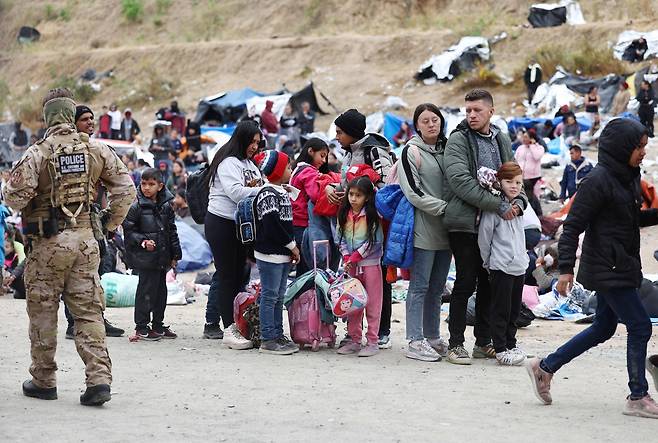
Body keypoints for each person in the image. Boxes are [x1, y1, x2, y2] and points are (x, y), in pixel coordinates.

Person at [3, 87, 136, 406]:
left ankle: (44, 379)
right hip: (86, 242)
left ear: (48, 116)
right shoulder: (97, 150)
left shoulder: (38, 152)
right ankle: (99, 380)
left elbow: (13, 197)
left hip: (47, 245)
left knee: (43, 311)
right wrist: (106, 223)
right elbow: (127, 191)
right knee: (89, 310)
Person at [526, 118, 658, 419]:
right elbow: (571, 226)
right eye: (639, 148)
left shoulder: (627, 177)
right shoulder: (597, 181)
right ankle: (637, 395)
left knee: (603, 327)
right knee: (640, 325)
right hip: (607, 266)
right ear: (622, 147)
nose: (642, 153)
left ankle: (545, 367)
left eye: (644, 148)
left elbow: (630, 220)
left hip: (622, 263)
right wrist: (566, 270)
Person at [443, 89, 527, 365]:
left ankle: (483, 341)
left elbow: (514, 176)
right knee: (466, 281)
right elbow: (460, 182)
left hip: (495, 225)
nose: (471, 115)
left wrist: (520, 203)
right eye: (468, 110)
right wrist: (499, 205)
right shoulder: (458, 139)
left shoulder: (500, 138)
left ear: (491, 111)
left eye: (477, 110)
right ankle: (456, 343)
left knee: (490, 284)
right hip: (465, 223)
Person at [397, 103, 452, 362]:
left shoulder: (448, 148)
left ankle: (432, 336)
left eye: (435, 119)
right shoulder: (411, 151)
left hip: (448, 230)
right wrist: (445, 208)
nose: (432, 124)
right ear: (417, 125)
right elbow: (413, 192)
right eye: (426, 120)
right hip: (424, 228)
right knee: (419, 285)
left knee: (438, 286)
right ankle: (414, 340)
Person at [203, 120, 264, 348]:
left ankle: (239, 324)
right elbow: (237, 193)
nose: (255, 147)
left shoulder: (249, 163)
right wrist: (266, 189)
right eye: (252, 141)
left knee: (241, 275)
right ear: (242, 138)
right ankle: (228, 328)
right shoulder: (228, 162)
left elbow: (258, 184)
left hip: (240, 226)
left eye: (258, 142)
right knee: (227, 275)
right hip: (221, 222)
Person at [478, 162, 528, 366]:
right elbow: (484, 238)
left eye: (518, 182)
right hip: (501, 267)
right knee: (501, 309)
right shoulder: (494, 209)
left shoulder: (519, 207)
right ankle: (499, 349)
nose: (514, 186)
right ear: (499, 182)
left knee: (514, 310)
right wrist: (488, 262)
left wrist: (523, 259)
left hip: (519, 266)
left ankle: (510, 343)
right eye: (509, 181)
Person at [123, 168, 181, 341]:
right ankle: (141, 326)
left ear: (160, 186)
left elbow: (172, 231)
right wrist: (143, 241)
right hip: (145, 258)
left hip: (161, 258)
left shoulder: (165, 207)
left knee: (160, 292)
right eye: (143, 183)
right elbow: (129, 231)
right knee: (145, 291)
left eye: (151, 184)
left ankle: (157, 324)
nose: (146, 188)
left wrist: (175, 255)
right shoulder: (136, 207)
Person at [251, 150, 300, 355]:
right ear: (279, 171)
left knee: (279, 296)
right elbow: (273, 226)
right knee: (270, 296)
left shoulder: (280, 191)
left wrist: (290, 247)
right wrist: (292, 246)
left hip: (282, 254)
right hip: (270, 254)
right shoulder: (268, 193)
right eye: (288, 167)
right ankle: (268, 338)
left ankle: (278, 334)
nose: (291, 171)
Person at [335, 176, 384, 358]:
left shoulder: (373, 216)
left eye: (358, 195)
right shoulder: (343, 214)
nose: (353, 199)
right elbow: (339, 238)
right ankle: (354, 339)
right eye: (351, 194)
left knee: (372, 303)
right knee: (352, 303)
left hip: (370, 265)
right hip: (351, 267)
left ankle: (372, 341)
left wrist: (356, 256)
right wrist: (347, 256)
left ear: (367, 197)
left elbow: (375, 241)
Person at [290, 138, 329, 276]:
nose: (324, 161)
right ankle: (307, 297)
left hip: (295, 223)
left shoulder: (298, 169)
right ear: (311, 151)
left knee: (302, 268)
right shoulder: (309, 172)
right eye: (322, 155)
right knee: (308, 269)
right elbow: (316, 195)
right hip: (304, 225)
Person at [514, 131, 544, 216]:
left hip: (533, 177)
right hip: (521, 176)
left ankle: (537, 214)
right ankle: (532, 214)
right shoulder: (520, 148)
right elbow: (515, 159)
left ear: (532, 138)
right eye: (523, 137)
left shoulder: (539, 148)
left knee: (533, 197)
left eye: (526, 137)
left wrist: (532, 145)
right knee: (526, 195)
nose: (524, 139)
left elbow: (536, 156)